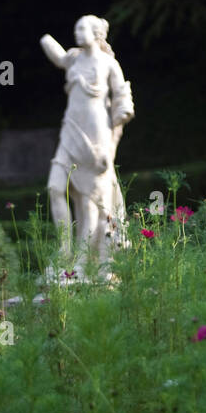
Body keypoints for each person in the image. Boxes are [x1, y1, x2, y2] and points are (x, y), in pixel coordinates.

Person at [40, 15, 134, 280]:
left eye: (82, 28)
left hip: (96, 137)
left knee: (90, 201)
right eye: (75, 28)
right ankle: (64, 252)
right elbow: (57, 56)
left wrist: (113, 138)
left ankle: (82, 263)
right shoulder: (73, 58)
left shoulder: (108, 63)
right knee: (55, 187)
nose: (77, 33)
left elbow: (122, 99)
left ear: (96, 33)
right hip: (70, 130)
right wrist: (43, 36)